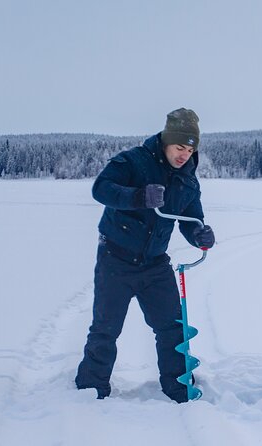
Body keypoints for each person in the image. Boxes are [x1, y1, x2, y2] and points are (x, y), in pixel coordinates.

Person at [75, 108, 215, 402]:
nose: (184, 155)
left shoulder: (188, 181)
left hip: (154, 265)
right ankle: (90, 389)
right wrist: (138, 196)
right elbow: (101, 189)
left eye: (190, 150)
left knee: (172, 328)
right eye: (179, 147)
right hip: (116, 259)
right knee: (106, 328)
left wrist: (200, 235)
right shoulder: (133, 161)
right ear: (166, 142)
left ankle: (178, 387)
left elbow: (191, 220)